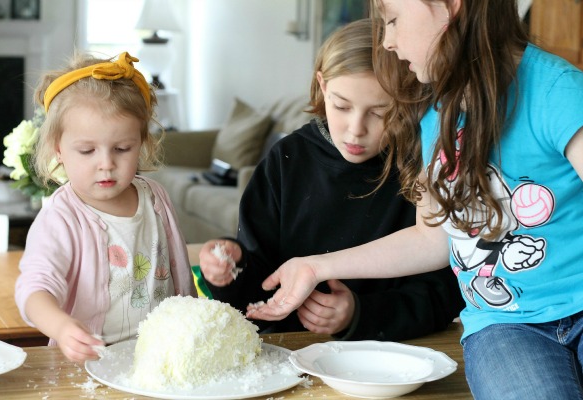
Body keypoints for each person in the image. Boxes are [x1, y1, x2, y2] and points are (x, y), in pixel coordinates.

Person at [247, 1, 583, 398]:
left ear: (450, 7)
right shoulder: (435, 115)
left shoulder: (557, 91)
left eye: (392, 20)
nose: (386, 41)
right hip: (506, 326)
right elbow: (432, 238)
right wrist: (313, 267)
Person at [198, 18, 464, 341]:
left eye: (379, 113)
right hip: (289, 354)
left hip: (390, 354)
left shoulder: (421, 166)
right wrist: (228, 273)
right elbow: (250, 300)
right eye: (341, 106)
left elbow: (445, 295)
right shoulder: (286, 162)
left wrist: (359, 313)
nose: (356, 129)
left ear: (408, 102)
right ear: (323, 86)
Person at [14, 52, 197, 362]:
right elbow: (34, 288)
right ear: (58, 150)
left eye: (122, 149)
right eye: (87, 151)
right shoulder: (62, 217)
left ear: (141, 143)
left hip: (163, 357)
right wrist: (60, 327)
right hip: (92, 361)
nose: (107, 164)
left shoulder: (156, 198)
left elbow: (180, 274)